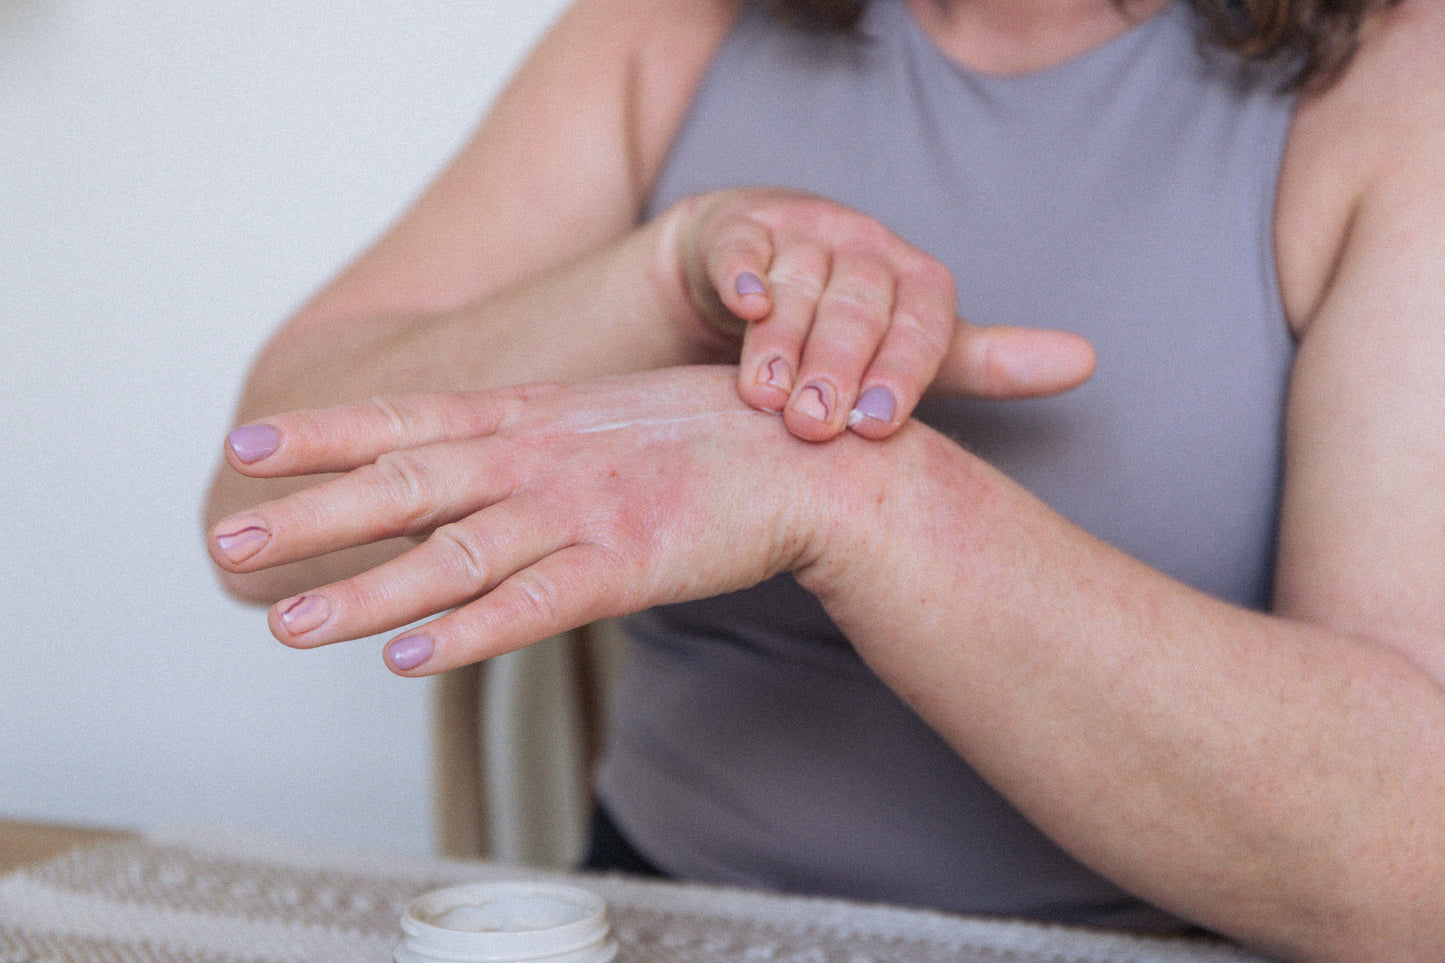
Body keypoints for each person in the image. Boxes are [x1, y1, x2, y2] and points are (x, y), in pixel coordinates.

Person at [204, 0, 1445, 957]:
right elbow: (261, 515)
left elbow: (1414, 871)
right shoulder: (670, 29)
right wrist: (665, 279)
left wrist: (856, 501)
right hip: (657, 913)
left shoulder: (1396, 77)